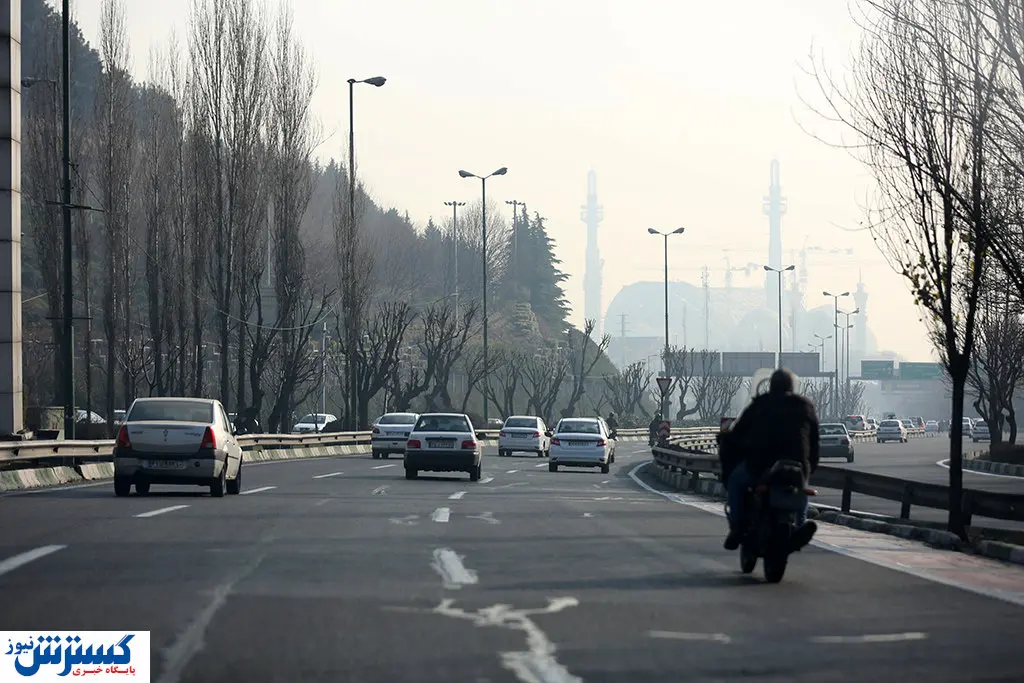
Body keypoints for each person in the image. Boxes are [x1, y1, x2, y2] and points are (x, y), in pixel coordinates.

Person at [722, 368, 820, 552]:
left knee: (735, 481)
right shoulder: (805, 406)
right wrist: (810, 467)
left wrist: (727, 439)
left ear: (771, 385)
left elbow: (738, 432)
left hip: (760, 466)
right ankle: (800, 523)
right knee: (801, 487)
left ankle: (737, 526)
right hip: (798, 466)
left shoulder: (760, 404)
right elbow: (814, 442)